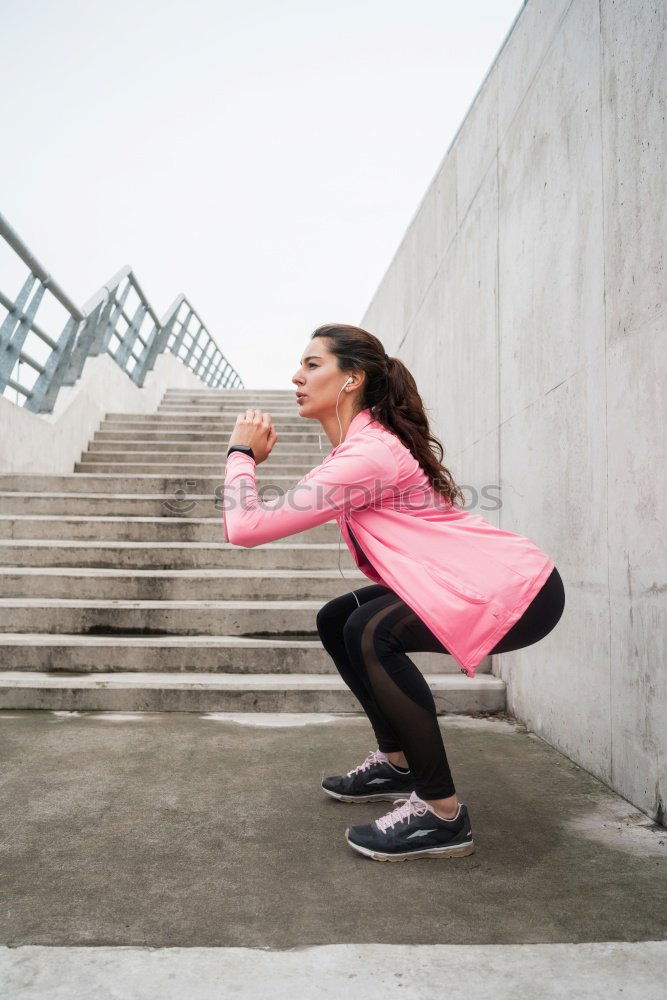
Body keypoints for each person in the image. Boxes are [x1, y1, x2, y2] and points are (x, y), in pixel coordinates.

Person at [223, 323, 565, 863]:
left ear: (352, 378)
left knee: (370, 630)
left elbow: (245, 527)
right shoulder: (362, 447)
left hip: (517, 589)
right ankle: (397, 761)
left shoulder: (369, 455)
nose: (297, 375)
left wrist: (240, 453)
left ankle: (441, 814)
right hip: (496, 580)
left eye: (313, 365)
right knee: (340, 618)